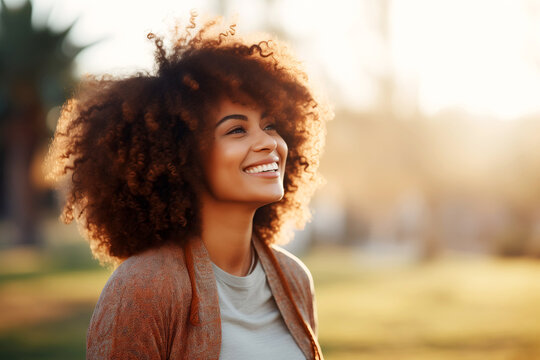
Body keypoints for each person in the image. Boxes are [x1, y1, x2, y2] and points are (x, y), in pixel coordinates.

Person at [46, 14, 330, 360]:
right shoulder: (143, 287)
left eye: (270, 125)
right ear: (180, 156)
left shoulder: (293, 279)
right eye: (237, 130)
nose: (269, 143)